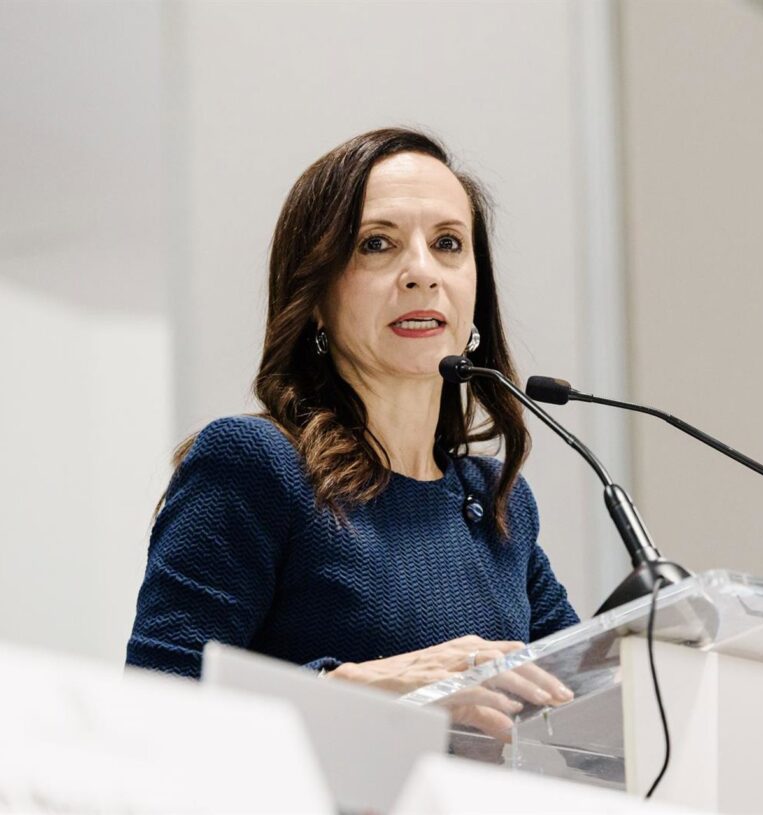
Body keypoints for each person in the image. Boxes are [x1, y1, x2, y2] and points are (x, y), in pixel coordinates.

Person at [126, 128, 580, 737]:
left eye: (448, 243)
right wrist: (356, 690)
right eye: (376, 245)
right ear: (316, 297)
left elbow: (589, 709)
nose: (422, 271)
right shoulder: (256, 465)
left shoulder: (499, 502)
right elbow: (155, 708)